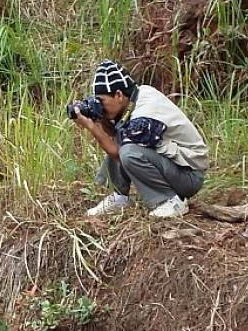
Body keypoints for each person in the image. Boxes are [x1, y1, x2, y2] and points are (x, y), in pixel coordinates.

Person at [72, 60, 209, 218]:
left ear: (118, 95)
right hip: (176, 167)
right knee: (122, 139)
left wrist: (92, 126)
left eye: (101, 101)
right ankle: (120, 197)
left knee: (128, 152)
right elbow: (119, 134)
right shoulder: (137, 96)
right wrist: (99, 118)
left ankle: (170, 201)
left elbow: (119, 154)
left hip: (189, 176)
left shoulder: (146, 112)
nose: (100, 106)